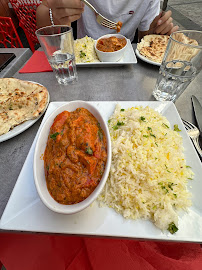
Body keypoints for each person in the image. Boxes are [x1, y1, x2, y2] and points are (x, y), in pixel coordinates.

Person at [36, 0, 179, 41]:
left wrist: (158, 35)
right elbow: (42, 16)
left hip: (124, 60)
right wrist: (56, 12)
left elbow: (144, 38)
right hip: (83, 57)